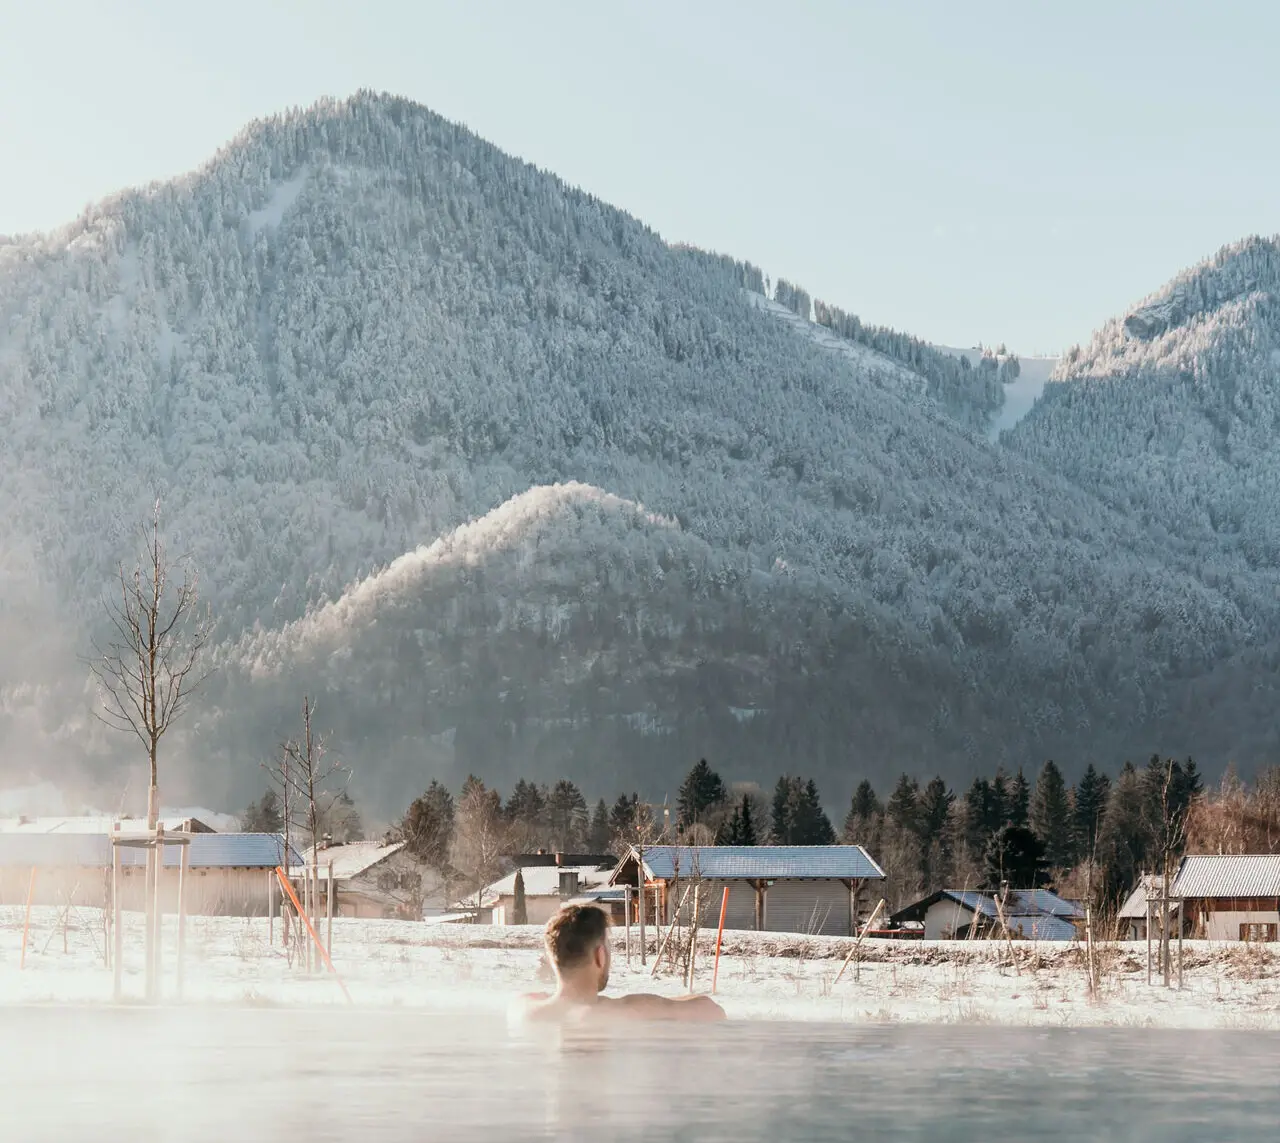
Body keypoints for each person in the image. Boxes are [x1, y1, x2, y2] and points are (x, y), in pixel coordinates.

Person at [513, 903, 726, 1024]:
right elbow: (712, 1010)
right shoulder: (616, 1013)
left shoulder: (523, 1008)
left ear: (552, 958)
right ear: (600, 956)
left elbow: (562, 1001)